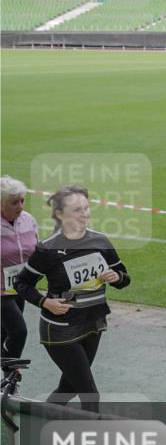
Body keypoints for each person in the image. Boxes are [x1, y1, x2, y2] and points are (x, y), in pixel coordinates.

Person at [14, 185, 130, 413]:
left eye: (86, 208)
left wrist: (117, 277)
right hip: (60, 330)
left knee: (67, 389)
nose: (84, 214)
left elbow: (124, 278)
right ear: (59, 214)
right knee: (90, 394)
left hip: (93, 324)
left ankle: (36, 422)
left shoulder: (100, 242)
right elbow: (21, 283)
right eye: (77, 210)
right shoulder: (48, 250)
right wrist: (45, 302)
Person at [1, 176, 38, 378]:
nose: (20, 206)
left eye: (22, 200)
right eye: (14, 202)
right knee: (18, 331)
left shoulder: (28, 220)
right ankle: (11, 376)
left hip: (19, 287)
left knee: (4, 333)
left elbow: (36, 248)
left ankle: (7, 380)